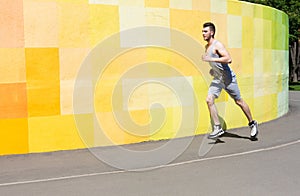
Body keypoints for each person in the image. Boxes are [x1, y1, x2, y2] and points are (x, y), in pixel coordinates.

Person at [201, 22, 258, 139]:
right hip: (218, 79)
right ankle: (217, 128)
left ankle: (252, 123)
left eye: (205, 31)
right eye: (202, 31)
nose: (203, 34)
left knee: (239, 101)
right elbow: (216, 62)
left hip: (228, 78)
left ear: (211, 32)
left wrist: (210, 59)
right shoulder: (207, 47)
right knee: (209, 100)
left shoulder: (218, 45)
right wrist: (213, 70)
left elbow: (228, 59)